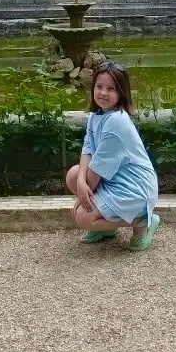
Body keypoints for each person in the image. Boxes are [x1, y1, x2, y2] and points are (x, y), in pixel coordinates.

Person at [65, 62, 160, 252]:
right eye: (99, 87)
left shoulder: (116, 122)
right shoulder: (97, 115)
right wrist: (81, 182)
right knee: (74, 175)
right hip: (114, 178)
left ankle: (143, 221)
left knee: (83, 217)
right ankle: (106, 229)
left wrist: (83, 197)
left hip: (133, 187)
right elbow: (88, 148)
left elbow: (98, 168)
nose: (103, 93)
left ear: (121, 93)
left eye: (111, 89)